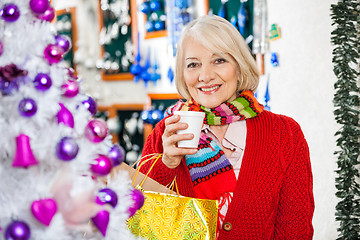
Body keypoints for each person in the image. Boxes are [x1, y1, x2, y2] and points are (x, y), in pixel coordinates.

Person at [139, 15, 314, 239]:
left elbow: (295, 231)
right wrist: (166, 164)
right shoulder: (166, 133)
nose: (205, 76)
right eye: (193, 64)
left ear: (240, 67)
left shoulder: (285, 133)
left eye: (219, 60)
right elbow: (142, 221)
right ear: (183, 74)